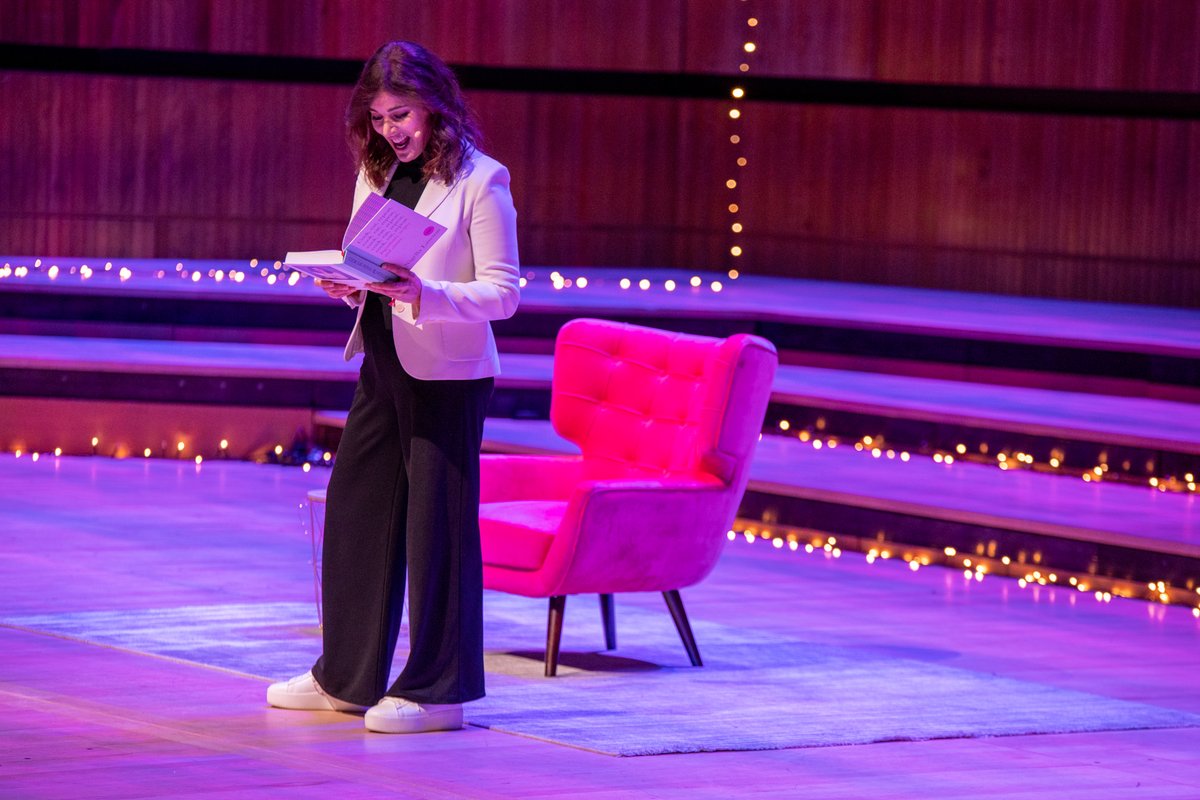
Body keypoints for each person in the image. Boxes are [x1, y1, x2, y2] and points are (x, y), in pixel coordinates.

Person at [267, 41, 519, 734]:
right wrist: (350, 286)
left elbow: (503, 295)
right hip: (382, 361)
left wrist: (424, 292)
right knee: (358, 513)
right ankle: (346, 677)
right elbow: (374, 270)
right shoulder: (374, 174)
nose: (391, 131)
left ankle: (439, 691)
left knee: (436, 528)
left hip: (447, 375)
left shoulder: (481, 181)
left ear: (435, 105)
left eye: (400, 114)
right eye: (377, 118)